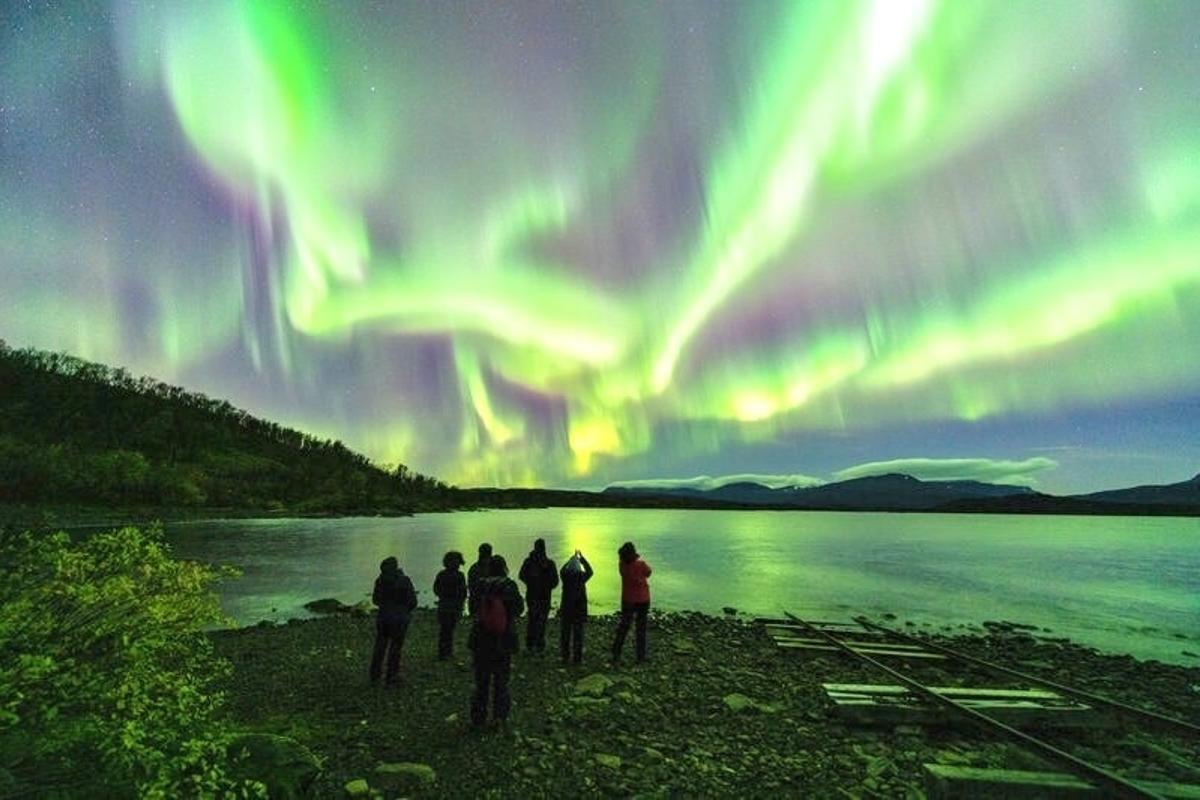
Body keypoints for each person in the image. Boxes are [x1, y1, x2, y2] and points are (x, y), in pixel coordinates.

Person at [468, 555, 524, 728]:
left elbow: (472, 609)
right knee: (501, 681)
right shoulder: (509, 586)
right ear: (504, 568)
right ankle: (499, 717)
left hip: (481, 638)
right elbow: (519, 609)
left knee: (481, 681)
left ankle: (478, 718)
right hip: (503, 638)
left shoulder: (479, 585)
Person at [369, 556, 417, 685]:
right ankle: (392, 675)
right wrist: (406, 610)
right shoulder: (404, 580)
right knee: (396, 646)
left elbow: (375, 600)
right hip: (399, 618)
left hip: (383, 617)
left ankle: (375, 673)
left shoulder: (380, 580)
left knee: (380, 645)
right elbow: (413, 601)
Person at [610, 541, 651, 665]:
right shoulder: (641, 564)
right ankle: (640, 656)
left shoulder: (622, 565)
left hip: (628, 599)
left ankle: (616, 652)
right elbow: (648, 573)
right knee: (641, 628)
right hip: (643, 599)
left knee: (624, 627)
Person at [518, 538, 559, 653]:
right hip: (543, 596)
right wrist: (547, 586)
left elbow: (521, 576)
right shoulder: (549, 563)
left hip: (533, 595)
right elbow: (555, 581)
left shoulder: (529, 562)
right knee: (540, 620)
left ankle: (531, 644)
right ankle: (538, 644)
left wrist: (530, 583)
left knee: (533, 619)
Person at [558, 548, 593, 665]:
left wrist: (569, 560)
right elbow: (590, 571)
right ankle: (577, 659)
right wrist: (581, 559)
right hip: (579, 610)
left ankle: (565, 657)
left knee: (565, 635)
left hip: (567, 610)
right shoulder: (581, 577)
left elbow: (562, 570)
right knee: (578, 635)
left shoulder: (565, 576)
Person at [433, 550, 467, 660]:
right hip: (453, 606)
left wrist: (443, 596)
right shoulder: (459, 576)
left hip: (444, 605)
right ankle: (447, 652)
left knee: (445, 630)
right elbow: (463, 593)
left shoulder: (441, 574)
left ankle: (444, 652)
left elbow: (436, 589)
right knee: (449, 629)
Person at [467, 543, 493, 616]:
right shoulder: (496, 566)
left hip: (477, 601)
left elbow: (471, 586)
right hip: (487, 601)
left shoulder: (474, 568)